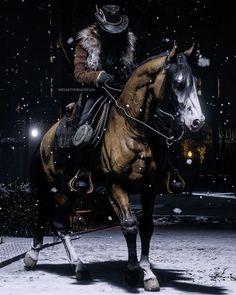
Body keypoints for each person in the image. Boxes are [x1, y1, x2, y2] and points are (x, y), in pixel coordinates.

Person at [70, 4, 137, 192]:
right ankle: (83, 171)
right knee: (86, 125)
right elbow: (79, 74)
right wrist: (98, 76)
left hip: (121, 90)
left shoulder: (125, 42)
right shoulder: (84, 42)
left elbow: (129, 66)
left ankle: (165, 169)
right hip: (96, 93)